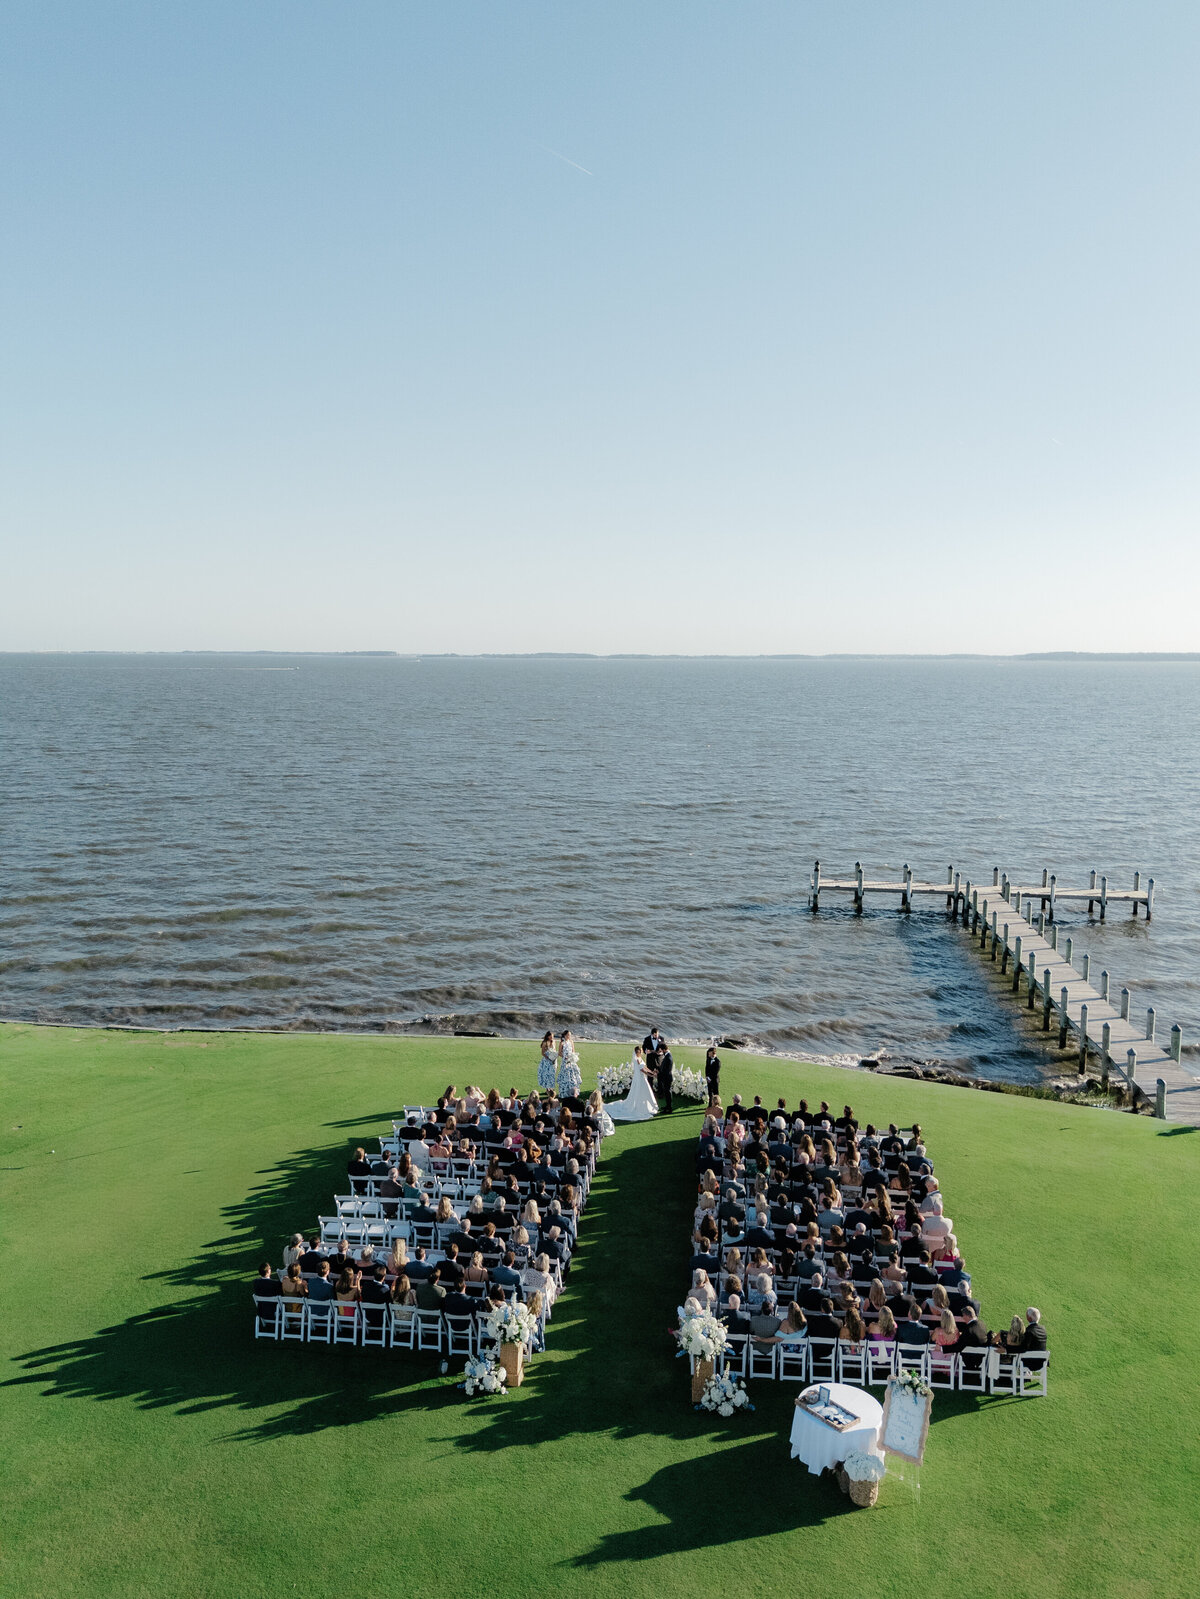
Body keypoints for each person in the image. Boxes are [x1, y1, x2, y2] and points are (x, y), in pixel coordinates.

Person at [609, 1047, 659, 1122]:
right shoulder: (637, 1060)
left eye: (641, 1051)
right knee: (642, 1090)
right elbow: (642, 1070)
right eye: (640, 1051)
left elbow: (645, 1067)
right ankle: (642, 1107)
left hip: (642, 1077)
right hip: (640, 1078)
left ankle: (649, 1106)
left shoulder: (640, 1058)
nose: (641, 1052)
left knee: (645, 1091)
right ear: (637, 1052)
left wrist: (652, 1072)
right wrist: (651, 1075)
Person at [557, 1030, 582, 1099]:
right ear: (565, 1035)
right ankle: (565, 1092)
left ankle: (574, 1091)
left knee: (573, 1076)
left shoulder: (571, 1042)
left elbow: (573, 1051)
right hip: (565, 1061)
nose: (569, 1036)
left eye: (570, 1035)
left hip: (571, 1061)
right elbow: (559, 1053)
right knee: (565, 1076)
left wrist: (573, 1057)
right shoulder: (562, 1043)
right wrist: (565, 1057)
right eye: (568, 1035)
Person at [657, 1047, 674, 1113]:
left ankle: (669, 1108)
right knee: (667, 1093)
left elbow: (666, 1069)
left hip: (667, 1078)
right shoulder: (667, 1056)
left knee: (668, 1093)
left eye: (661, 1050)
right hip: (666, 1077)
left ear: (664, 1050)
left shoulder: (668, 1057)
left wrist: (660, 1073)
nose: (661, 1052)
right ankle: (667, 1106)